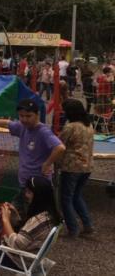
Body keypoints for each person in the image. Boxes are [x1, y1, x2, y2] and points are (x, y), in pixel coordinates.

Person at [0, 99, 65, 215]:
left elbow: (60, 147)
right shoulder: (22, 127)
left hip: (37, 186)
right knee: (17, 212)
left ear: (37, 114)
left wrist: (47, 163)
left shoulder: (43, 132)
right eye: (21, 116)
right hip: (24, 183)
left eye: (28, 116)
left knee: (35, 214)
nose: (24, 119)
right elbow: (7, 123)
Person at [0, 176, 61, 276]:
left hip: (19, 259)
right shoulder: (48, 215)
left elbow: (17, 244)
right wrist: (15, 214)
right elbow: (27, 232)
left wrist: (6, 220)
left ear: (39, 196)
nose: (26, 195)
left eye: (29, 192)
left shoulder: (38, 220)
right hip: (29, 255)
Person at [57, 98, 95, 237]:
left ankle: (73, 229)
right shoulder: (88, 125)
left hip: (72, 167)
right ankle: (87, 224)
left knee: (65, 198)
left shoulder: (70, 127)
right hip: (87, 166)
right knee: (77, 196)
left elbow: (59, 145)